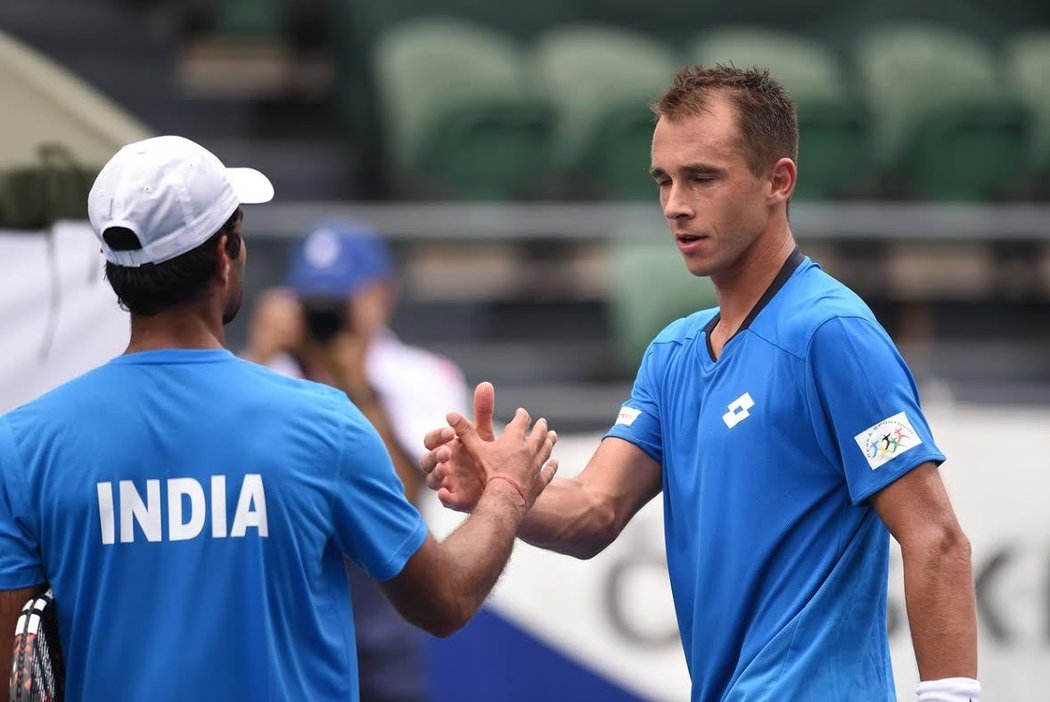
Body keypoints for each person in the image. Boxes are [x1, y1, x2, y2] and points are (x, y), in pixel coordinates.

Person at [420, 66, 980, 702]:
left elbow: (936, 538)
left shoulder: (833, 334)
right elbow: (593, 509)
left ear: (779, 180)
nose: (675, 204)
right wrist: (503, 492)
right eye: (664, 180)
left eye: (702, 178)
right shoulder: (673, 354)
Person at [0, 135, 558, 702]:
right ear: (226, 252)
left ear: (115, 269)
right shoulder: (324, 425)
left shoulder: (22, 445)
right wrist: (508, 488)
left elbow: (12, 674)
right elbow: (444, 601)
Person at [244, 222, 469, 702]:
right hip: (282, 590)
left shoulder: (422, 376)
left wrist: (353, 382)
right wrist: (260, 354)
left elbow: (405, 494)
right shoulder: (264, 373)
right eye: (314, 302)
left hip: (381, 589)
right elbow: (223, 465)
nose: (327, 316)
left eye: (339, 300)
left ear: (383, 295)